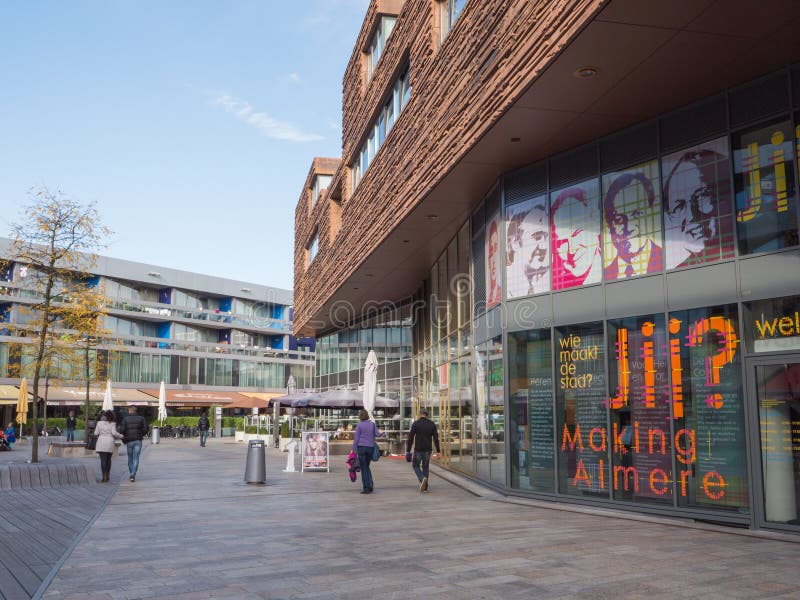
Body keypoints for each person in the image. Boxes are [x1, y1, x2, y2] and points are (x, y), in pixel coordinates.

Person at [663, 148, 731, 269]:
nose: (691, 217)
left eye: (701, 198)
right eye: (678, 207)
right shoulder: (677, 277)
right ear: (669, 216)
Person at [604, 171, 663, 279]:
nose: (629, 228)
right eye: (619, 219)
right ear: (609, 225)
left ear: (650, 215)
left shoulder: (669, 262)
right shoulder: (604, 277)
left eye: (637, 214)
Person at [551, 185, 602, 289]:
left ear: (595, 224)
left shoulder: (614, 273)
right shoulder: (557, 287)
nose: (571, 250)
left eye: (576, 233)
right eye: (562, 242)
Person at [506, 200, 550, 297]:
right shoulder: (507, 292)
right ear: (515, 243)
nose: (544, 245)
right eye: (537, 237)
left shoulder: (549, 280)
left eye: (546, 236)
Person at [405, 409, 441, 493]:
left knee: (415, 465)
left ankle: (422, 479)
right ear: (427, 415)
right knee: (425, 467)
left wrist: (408, 450)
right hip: (428, 450)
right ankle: (425, 488)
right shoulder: (431, 424)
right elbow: (436, 438)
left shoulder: (416, 424)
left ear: (419, 414)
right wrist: (438, 451)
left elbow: (410, 438)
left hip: (418, 449)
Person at [352, 409, 382, 494]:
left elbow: (356, 439)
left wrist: (353, 450)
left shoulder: (359, 425)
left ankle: (366, 488)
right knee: (367, 466)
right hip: (370, 448)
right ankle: (370, 485)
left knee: (364, 468)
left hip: (361, 448)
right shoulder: (372, 425)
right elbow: (378, 434)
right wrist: (382, 433)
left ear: (360, 416)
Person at [119, 405, 148, 482]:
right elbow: (146, 429)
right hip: (138, 440)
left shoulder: (125, 419)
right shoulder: (141, 418)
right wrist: (141, 434)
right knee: (136, 458)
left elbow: (122, 429)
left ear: (130, 410)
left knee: (130, 458)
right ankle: (133, 474)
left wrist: (124, 435)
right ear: (136, 410)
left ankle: (132, 473)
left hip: (129, 440)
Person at [94, 410, 123, 483]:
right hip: (109, 442)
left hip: (101, 442)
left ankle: (104, 477)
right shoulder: (112, 424)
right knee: (108, 460)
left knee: (103, 460)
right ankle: (108, 475)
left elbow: (96, 433)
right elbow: (114, 433)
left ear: (105, 416)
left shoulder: (99, 423)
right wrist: (121, 436)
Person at [485, 217, 502, 307]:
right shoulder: (488, 298)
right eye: (491, 251)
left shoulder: (504, 293)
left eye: (496, 248)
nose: (493, 261)